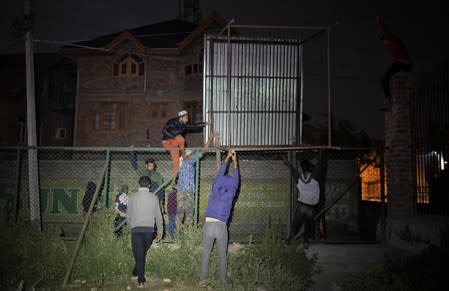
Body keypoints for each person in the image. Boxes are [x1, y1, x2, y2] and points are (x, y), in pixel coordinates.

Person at [199, 149, 239, 287]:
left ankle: (203, 280)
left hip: (209, 224)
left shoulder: (215, 188)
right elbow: (236, 179)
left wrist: (227, 158)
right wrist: (235, 162)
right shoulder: (231, 193)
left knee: (206, 253)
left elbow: (220, 174)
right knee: (222, 256)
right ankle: (222, 283)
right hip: (221, 226)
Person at [126, 176, 163, 288]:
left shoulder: (132, 197)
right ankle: (140, 279)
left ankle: (135, 272)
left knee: (139, 253)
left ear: (139, 185)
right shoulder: (154, 197)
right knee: (142, 253)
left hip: (136, 229)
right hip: (149, 230)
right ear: (149, 185)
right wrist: (160, 231)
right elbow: (158, 215)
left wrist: (129, 228)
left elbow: (128, 215)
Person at [176, 132, 216, 231]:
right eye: (187, 153)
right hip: (181, 190)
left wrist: (210, 139)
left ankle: (188, 234)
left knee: (189, 213)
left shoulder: (190, 161)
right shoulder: (180, 161)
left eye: (189, 153)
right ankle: (178, 234)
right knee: (180, 213)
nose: (188, 155)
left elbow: (203, 151)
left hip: (188, 190)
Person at [162, 110, 212, 184]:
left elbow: (194, 125)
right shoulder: (172, 122)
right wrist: (174, 136)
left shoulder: (184, 125)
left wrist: (206, 123)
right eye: (186, 118)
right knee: (181, 138)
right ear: (181, 118)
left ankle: (173, 182)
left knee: (176, 162)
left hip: (175, 146)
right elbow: (164, 130)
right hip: (167, 142)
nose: (187, 120)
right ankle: (183, 154)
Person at [283, 155, 321, 249]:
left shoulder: (299, 178)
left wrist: (287, 163)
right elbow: (318, 166)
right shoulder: (315, 177)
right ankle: (306, 242)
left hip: (302, 205)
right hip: (311, 206)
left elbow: (293, 171)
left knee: (296, 223)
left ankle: (289, 240)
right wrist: (316, 162)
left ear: (302, 169)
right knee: (308, 224)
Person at [376, 16, 412, 109]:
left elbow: (386, 30)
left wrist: (379, 21)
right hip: (405, 64)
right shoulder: (392, 46)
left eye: (384, 41)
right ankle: (406, 94)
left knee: (385, 80)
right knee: (387, 77)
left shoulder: (391, 39)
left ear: (386, 38)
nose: (385, 43)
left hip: (402, 63)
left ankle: (388, 101)